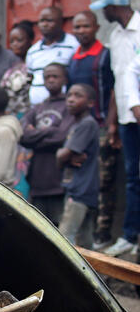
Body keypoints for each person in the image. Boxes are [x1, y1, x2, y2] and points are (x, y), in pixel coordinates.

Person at [92, 0, 140, 256]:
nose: (104, 13)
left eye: (106, 8)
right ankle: (130, 236)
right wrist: (112, 122)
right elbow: (117, 83)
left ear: (116, 7)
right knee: (133, 177)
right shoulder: (115, 36)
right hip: (126, 117)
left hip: (137, 110)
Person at [67, 10, 117, 248]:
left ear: (96, 28)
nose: (81, 31)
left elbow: (113, 90)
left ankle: (101, 233)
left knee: (103, 181)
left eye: (85, 26)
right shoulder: (74, 57)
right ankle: (84, 235)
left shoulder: (104, 55)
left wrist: (111, 124)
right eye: (77, 27)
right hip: (81, 129)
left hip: (100, 128)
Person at [21, 63, 74, 225]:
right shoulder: (38, 108)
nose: (50, 80)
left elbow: (62, 137)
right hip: (37, 180)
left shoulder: (69, 106)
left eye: (55, 76)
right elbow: (23, 136)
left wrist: (35, 135)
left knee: (60, 231)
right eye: (47, 77)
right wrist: (50, 131)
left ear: (65, 79)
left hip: (58, 181)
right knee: (38, 228)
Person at [57, 84, 101, 249]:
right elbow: (63, 157)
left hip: (80, 189)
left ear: (90, 103)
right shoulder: (76, 125)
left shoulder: (87, 124)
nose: (71, 100)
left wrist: (62, 155)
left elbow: (62, 156)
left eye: (78, 95)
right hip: (81, 189)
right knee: (84, 241)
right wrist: (63, 155)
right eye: (69, 95)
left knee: (64, 240)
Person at [26, 6, 79, 105]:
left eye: (49, 21)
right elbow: (30, 78)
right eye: (42, 21)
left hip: (64, 108)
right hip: (37, 108)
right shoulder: (33, 51)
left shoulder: (73, 45)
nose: (45, 24)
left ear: (60, 23)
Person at [1, 21, 35, 118]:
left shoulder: (32, 67)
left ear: (30, 40)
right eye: (12, 41)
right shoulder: (12, 69)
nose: (15, 44)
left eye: (19, 40)